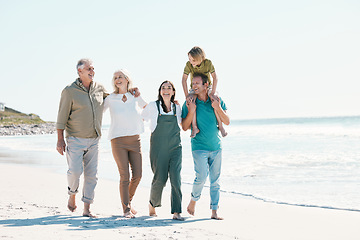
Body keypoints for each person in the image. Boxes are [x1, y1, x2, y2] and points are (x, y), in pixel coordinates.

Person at [56, 58, 107, 218]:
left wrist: (132, 93)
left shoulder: (99, 88)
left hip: (94, 140)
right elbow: (61, 117)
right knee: (75, 172)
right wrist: (60, 139)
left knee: (92, 175)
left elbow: (114, 99)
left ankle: (87, 208)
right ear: (80, 72)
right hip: (75, 139)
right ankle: (72, 194)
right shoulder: (69, 91)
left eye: (93, 69)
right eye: (89, 69)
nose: (92, 72)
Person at [181, 73, 230, 220]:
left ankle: (214, 211)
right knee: (201, 177)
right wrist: (191, 111)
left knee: (215, 181)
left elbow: (226, 121)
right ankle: (193, 201)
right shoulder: (189, 101)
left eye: (197, 83)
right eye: (193, 83)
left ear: (206, 85)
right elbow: (184, 127)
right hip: (199, 146)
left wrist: (218, 107)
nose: (194, 86)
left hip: (216, 147)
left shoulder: (216, 100)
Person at [103, 69, 147, 218]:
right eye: (115, 78)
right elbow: (97, 112)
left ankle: (128, 201)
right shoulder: (110, 98)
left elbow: (147, 109)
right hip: (118, 140)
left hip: (135, 140)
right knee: (124, 176)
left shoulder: (134, 96)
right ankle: (126, 209)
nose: (117, 79)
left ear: (127, 79)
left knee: (138, 175)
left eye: (120, 76)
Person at [142, 81, 184, 220]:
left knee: (176, 179)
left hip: (175, 148)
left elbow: (183, 125)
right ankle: (152, 204)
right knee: (160, 179)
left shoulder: (177, 108)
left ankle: (177, 212)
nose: (166, 90)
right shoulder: (153, 106)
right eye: (163, 88)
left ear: (173, 92)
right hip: (158, 149)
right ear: (160, 91)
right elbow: (141, 117)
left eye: (169, 88)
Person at [181, 46, 227, 138]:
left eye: (193, 60)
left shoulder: (208, 63)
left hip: (208, 86)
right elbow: (184, 80)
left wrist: (213, 92)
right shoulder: (188, 65)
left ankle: (221, 126)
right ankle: (194, 127)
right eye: (189, 59)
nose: (191, 62)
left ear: (200, 59)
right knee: (191, 102)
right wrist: (187, 96)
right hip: (194, 87)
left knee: (214, 99)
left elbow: (215, 77)